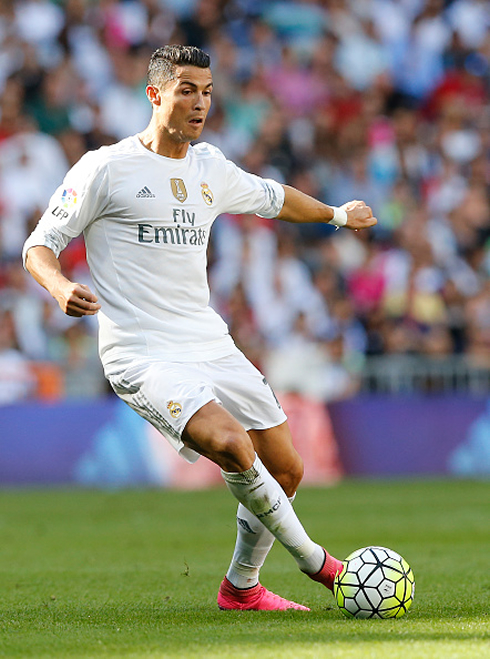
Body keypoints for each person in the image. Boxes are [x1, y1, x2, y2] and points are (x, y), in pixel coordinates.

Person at [23, 45, 376, 611]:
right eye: (187, 89)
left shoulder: (209, 167)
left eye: (208, 91)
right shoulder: (105, 168)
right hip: (140, 351)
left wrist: (336, 214)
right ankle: (320, 564)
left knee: (285, 468)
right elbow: (39, 245)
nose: (200, 103)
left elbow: (274, 198)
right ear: (154, 93)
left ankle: (241, 588)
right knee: (234, 447)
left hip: (207, 339)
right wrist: (61, 288)